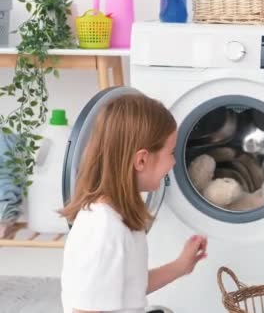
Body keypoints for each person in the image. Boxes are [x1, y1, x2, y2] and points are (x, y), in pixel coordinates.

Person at [60, 94, 208, 313]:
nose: (174, 162)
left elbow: (131, 287)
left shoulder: (120, 217)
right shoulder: (103, 229)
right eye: (171, 153)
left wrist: (180, 266)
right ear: (141, 160)